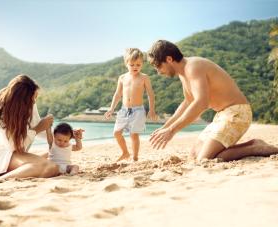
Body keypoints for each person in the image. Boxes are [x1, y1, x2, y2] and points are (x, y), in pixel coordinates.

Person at [148, 40, 278, 161]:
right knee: (194, 154)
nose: (158, 71)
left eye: (158, 66)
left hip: (237, 113)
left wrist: (172, 130)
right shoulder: (183, 74)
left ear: (169, 59)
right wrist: (165, 128)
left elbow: (201, 103)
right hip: (222, 116)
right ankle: (251, 145)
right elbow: (188, 102)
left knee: (205, 158)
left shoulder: (193, 67)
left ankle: (255, 147)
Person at [0, 74, 59, 179]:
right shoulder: (0, 110)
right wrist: (38, 128)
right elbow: (13, 146)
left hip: (18, 154)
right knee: (51, 167)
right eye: (33, 99)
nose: (34, 102)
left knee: (53, 156)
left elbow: (38, 126)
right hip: (3, 157)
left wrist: (69, 134)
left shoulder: (29, 104)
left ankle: (26, 169)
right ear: (22, 99)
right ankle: (0, 180)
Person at [105, 48, 157, 161]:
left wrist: (152, 109)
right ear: (126, 64)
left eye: (138, 64)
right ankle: (125, 153)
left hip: (138, 110)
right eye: (132, 64)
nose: (135, 67)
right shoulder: (122, 78)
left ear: (142, 64)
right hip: (124, 110)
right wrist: (111, 108)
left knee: (134, 135)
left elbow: (150, 94)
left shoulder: (144, 77)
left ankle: (135, 157)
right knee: (117, 133)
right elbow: (117, 94)